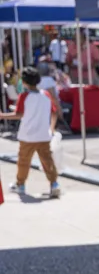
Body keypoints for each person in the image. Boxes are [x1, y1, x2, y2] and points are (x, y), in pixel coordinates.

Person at [1, 66, 61, 198]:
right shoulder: (46, 95)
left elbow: (19, 114)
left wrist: (3, 116)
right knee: (48, 161)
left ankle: (20, 184)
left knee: (23, 161)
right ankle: (54, 184)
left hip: (27, 135)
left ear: (25, 81)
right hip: (43, 135)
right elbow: (54, 113)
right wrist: (51, 129)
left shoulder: (24, 96)